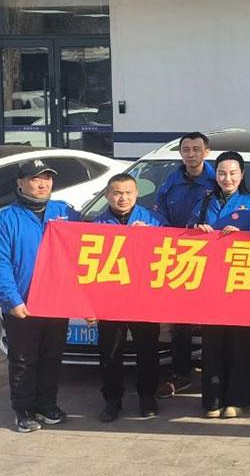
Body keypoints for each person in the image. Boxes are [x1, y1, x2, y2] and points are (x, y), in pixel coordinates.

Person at [189, 151, 250, 419]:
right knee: (213, 342)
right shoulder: (204, 203)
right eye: (222, 173)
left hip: (241, 281)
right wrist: (197, 232)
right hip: (211, 283)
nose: (227, 178)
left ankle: (239, 399)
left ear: (242, 174)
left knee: (240, 342)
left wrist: (244, 236)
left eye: (233, 173)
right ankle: (213, 399)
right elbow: (185, 235)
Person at [0, 159, 81, 433]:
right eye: (36, 179)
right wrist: (11, 300)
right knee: (23, 360)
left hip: (56, 302)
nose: (43, 184)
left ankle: (47, 405)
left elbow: (93, 239)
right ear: (20, 183)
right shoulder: (6, 219)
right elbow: (1, 264)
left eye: (47, 178)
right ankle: (23, 410)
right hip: (23, 303)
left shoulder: (65, 212)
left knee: (51, 357)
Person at [92, 174, 164, 422]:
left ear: (136, 194)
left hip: (144, 298)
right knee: (110, 352)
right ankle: (112, 400)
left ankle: (147, 396)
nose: (123, 198)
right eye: (117, 193)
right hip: (110, 300)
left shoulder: (153, 220)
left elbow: (169, 251)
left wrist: (151, 235)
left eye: (128, 193)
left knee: (148, 348)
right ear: (107, 195)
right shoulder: (95, 226)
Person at [155, 131, 216, 399]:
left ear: (207, 152)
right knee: (180, 322)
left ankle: (214, 375)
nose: (191, 154)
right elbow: (159, 216)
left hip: (212, 260)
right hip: (177, 257)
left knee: (211, 320)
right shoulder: (171, 182)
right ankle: (181, 374)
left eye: (196, 149)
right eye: (186, 150)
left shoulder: (218, 180)